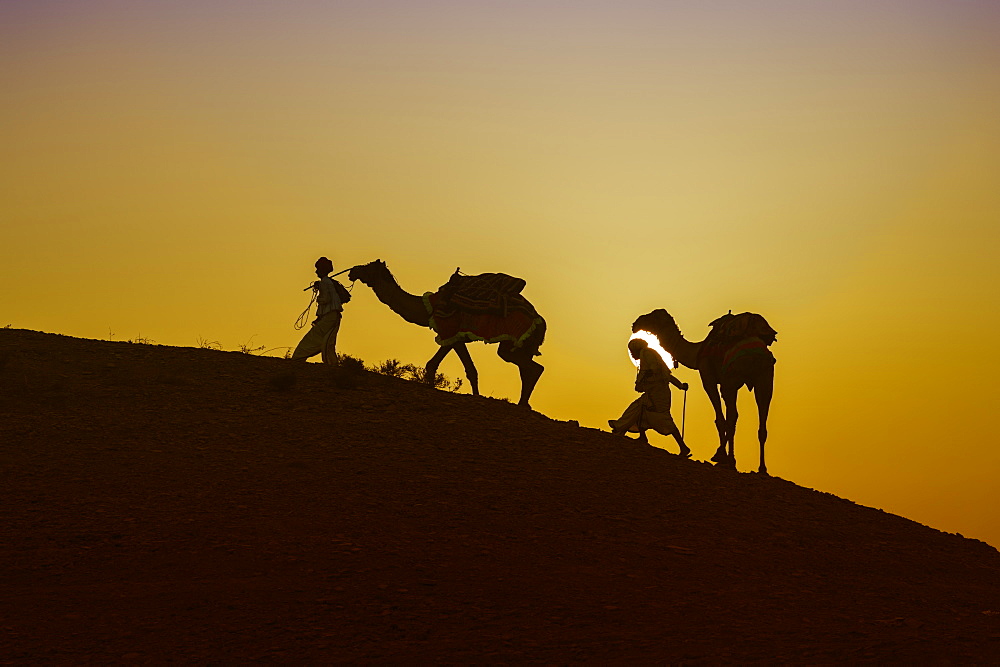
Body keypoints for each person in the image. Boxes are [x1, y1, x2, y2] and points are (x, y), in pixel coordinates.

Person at [609, 338, 691, 457]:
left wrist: (646, 376)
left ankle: (683, 447)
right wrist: (680, 386)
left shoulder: (646, 353)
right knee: (638, 409)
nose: (631, 354)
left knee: (663, 418)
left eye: (632, 351)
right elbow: (667, 376)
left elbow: (658, 371)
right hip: (652, 393)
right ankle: (630, 432)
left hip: (658, 394)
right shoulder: (646, 356)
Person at [291, 257, 345, 365]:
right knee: (328, 342)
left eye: (318, 269)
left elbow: (326, 299)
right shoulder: (328, 282)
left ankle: (297, 360)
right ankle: (332, 365)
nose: (316, 272)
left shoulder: (325, 282)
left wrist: (319, 296)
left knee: (316, 341)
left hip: (330, 317)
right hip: (331, 317)